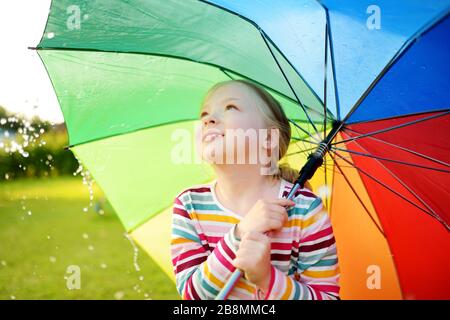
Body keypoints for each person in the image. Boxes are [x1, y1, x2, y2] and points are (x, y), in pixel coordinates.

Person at [170, 79, 339, 300]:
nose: (208, 119)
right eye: (204, 113)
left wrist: (266, 278)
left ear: (268, 138)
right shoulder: (190, 205)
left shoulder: (305, 210)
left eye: (230, 107)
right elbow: (192, 296)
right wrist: (240, 234)